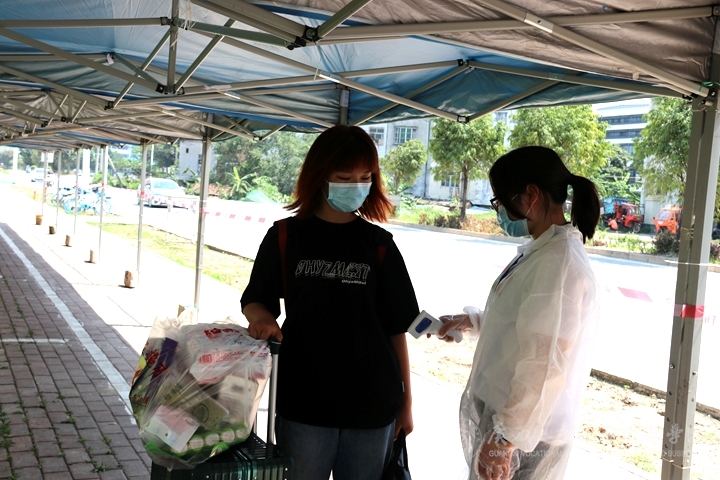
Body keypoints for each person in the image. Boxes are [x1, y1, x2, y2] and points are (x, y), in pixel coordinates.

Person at [241, 125, 419, 480]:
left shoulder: (379, 244)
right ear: (320, 176)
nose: (357, 185)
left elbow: (396, 330)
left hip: (372, 405)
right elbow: (257, 299)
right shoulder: (285, 236)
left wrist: (406, 403)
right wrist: (262, 319)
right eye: (345, 177)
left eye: (365, 177)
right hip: (304, 400)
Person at [437, 146, 601, 480]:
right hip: (509, 418)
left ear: (531, 195)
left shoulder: (558, 263)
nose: (500, 211)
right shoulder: (543, 250)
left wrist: (505, 438)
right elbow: (526, 321)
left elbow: (545, 361)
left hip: (527, 433)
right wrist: (473, 321)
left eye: (500, 201)